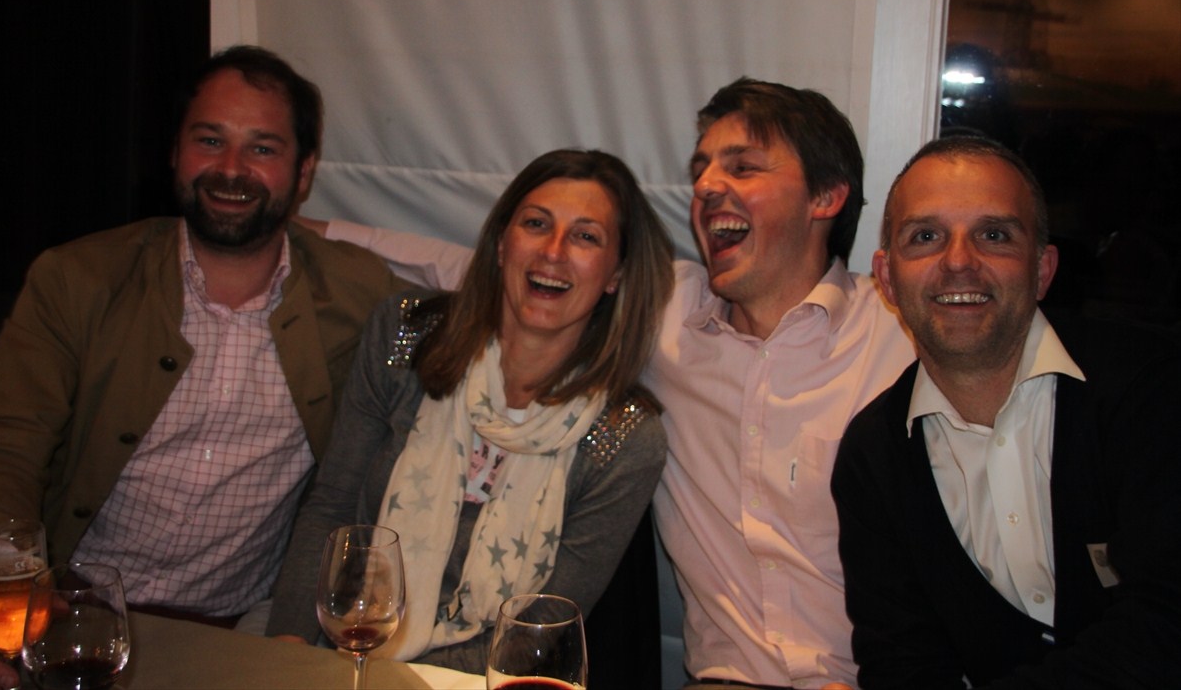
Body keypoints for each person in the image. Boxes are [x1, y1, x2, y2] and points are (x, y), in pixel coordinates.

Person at [301, 78, 915, 688]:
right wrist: (298, 230)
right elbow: (490, 268)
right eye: (700, 169)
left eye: (742, 167)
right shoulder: (670, 310)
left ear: (826, 196)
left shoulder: (901, 338)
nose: (706, 185)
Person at [0, 46, 402, 690]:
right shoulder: (78, 279)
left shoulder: (357, 293)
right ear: (175, 151)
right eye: (210, 140)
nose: (231, 169)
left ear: (304, 171)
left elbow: (466, 321)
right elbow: (2, 444)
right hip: (72, 616)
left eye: (262, 148)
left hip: (242, 632)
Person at [265, 149, 674, 675]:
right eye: (536, 224)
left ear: (615, 274)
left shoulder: (627, 437)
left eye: (585, 237)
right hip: (345, 647)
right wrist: (289, 646)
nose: (553, 252)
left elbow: (543, 627)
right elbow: (332, 508)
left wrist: (403, 682)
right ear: (502, 244)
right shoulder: (404, 336)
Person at [831, 136, 1181, 688]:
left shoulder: (1150, 390)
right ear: (888, 278)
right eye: (926, 237)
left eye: (993, 235)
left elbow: (1165, 625)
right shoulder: (873, 454)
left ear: (1042, 270)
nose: (958, 261)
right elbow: (901, 665)